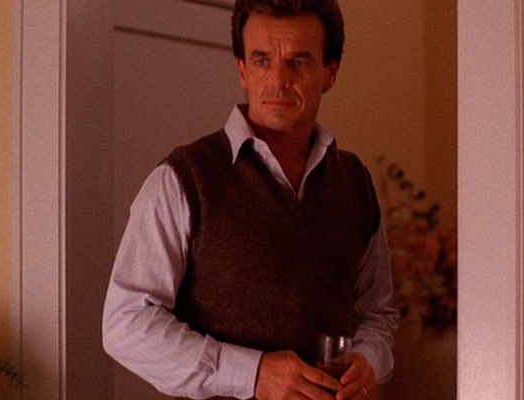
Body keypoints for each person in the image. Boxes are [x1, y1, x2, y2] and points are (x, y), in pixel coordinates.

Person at [102, 1, 398, 399]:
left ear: (330, 73)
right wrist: (252, 374)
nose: (278, 80)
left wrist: (369, 359)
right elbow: (126, 322)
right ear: (242, 69)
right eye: (262, 61)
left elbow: (376, 313)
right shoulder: (184, 178)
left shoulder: (355, 181)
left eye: (298, 62)